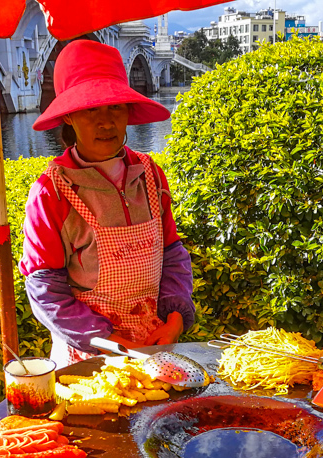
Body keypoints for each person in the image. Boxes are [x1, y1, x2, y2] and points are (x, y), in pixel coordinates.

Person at [19, 40, 195, 366]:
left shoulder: (150, 175)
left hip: (155, 349)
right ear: (69, 117)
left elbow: (172, 256)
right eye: (90, 109)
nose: (106, 122)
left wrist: (175, 317)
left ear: (128, 111)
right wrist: (105, 339)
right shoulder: (51, 193)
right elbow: (46, 290)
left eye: (115, 107)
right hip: (89, 358)